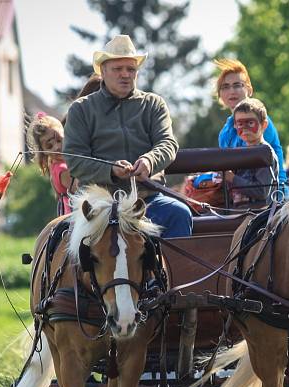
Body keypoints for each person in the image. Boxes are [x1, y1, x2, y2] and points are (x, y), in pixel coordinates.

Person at [63, 35, 192, 238]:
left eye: (131, 69)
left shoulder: (153, 104)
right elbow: (75, 159)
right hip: (100, 203)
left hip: (146, 199)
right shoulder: (81, 109)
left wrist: (149, 161)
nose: (125, 74)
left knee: (179, 213)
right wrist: (111, 170)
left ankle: (176, 271)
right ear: (103, 71)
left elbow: (167, 144)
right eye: (117, 69)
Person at [213, 58, 287, 190]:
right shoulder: (225, 133)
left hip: (273, 198)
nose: (232, 91)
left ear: (249, 89)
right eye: (225, 87)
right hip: (238, 199)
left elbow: (248, 174)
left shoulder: (261, 122)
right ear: (220, 95)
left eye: (237, 85)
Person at [223, 98, 279, 203]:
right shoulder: (239, 154)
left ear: (264, 125)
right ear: (235, 126)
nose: (244, 128)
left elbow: (262, 191)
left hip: (261, 215)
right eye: (240, 124)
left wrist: (232, 178)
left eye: (250, 123)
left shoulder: (265, 153)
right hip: (239, 212)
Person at [26, 112, 76, 216]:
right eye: (49, 146)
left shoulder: (58, 165)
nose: (57, 147)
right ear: (44, 151)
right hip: (75, 217)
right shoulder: (62, 169)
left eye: (59, 140)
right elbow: (80, 188)